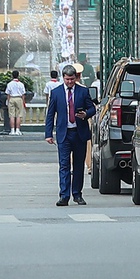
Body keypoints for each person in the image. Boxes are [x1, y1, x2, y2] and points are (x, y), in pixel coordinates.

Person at [43, 63, 93, 206]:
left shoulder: (83, 92)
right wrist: (48, 133)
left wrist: (86, 114)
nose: (70, 82)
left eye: (72, 79)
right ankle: (64, 195)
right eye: (67, 79)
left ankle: (77, 194)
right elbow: (50, 114)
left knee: (78, 165)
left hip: (79, 133)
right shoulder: (57, 92)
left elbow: (92, 108)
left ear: (75, 78)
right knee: (64, 165)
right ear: (63, 78)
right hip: (64, 134)